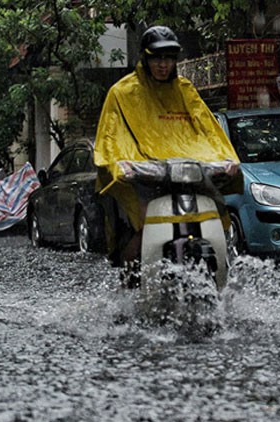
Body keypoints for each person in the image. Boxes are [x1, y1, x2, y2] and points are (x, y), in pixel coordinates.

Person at [94, 25, 241, 267]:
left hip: (189, 176)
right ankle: (130, 280)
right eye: (157, 58)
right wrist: (120, 165)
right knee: (141, 224)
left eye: (169, 59)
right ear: (145, 58)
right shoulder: (121, 92)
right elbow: (109, 138)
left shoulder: (185, 89)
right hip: (142, 178)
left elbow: (208, 128)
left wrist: (227, 158)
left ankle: (226, 268)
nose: (163, 65)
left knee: (218, 215)